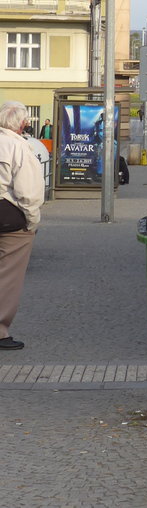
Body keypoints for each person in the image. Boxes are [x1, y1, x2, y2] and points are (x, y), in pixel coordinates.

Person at [0, 101, 45, 350]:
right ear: (23, 124)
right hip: (9, 217)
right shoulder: (19, 147)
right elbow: (28, 192)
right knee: (8, 276)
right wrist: (32, 222)